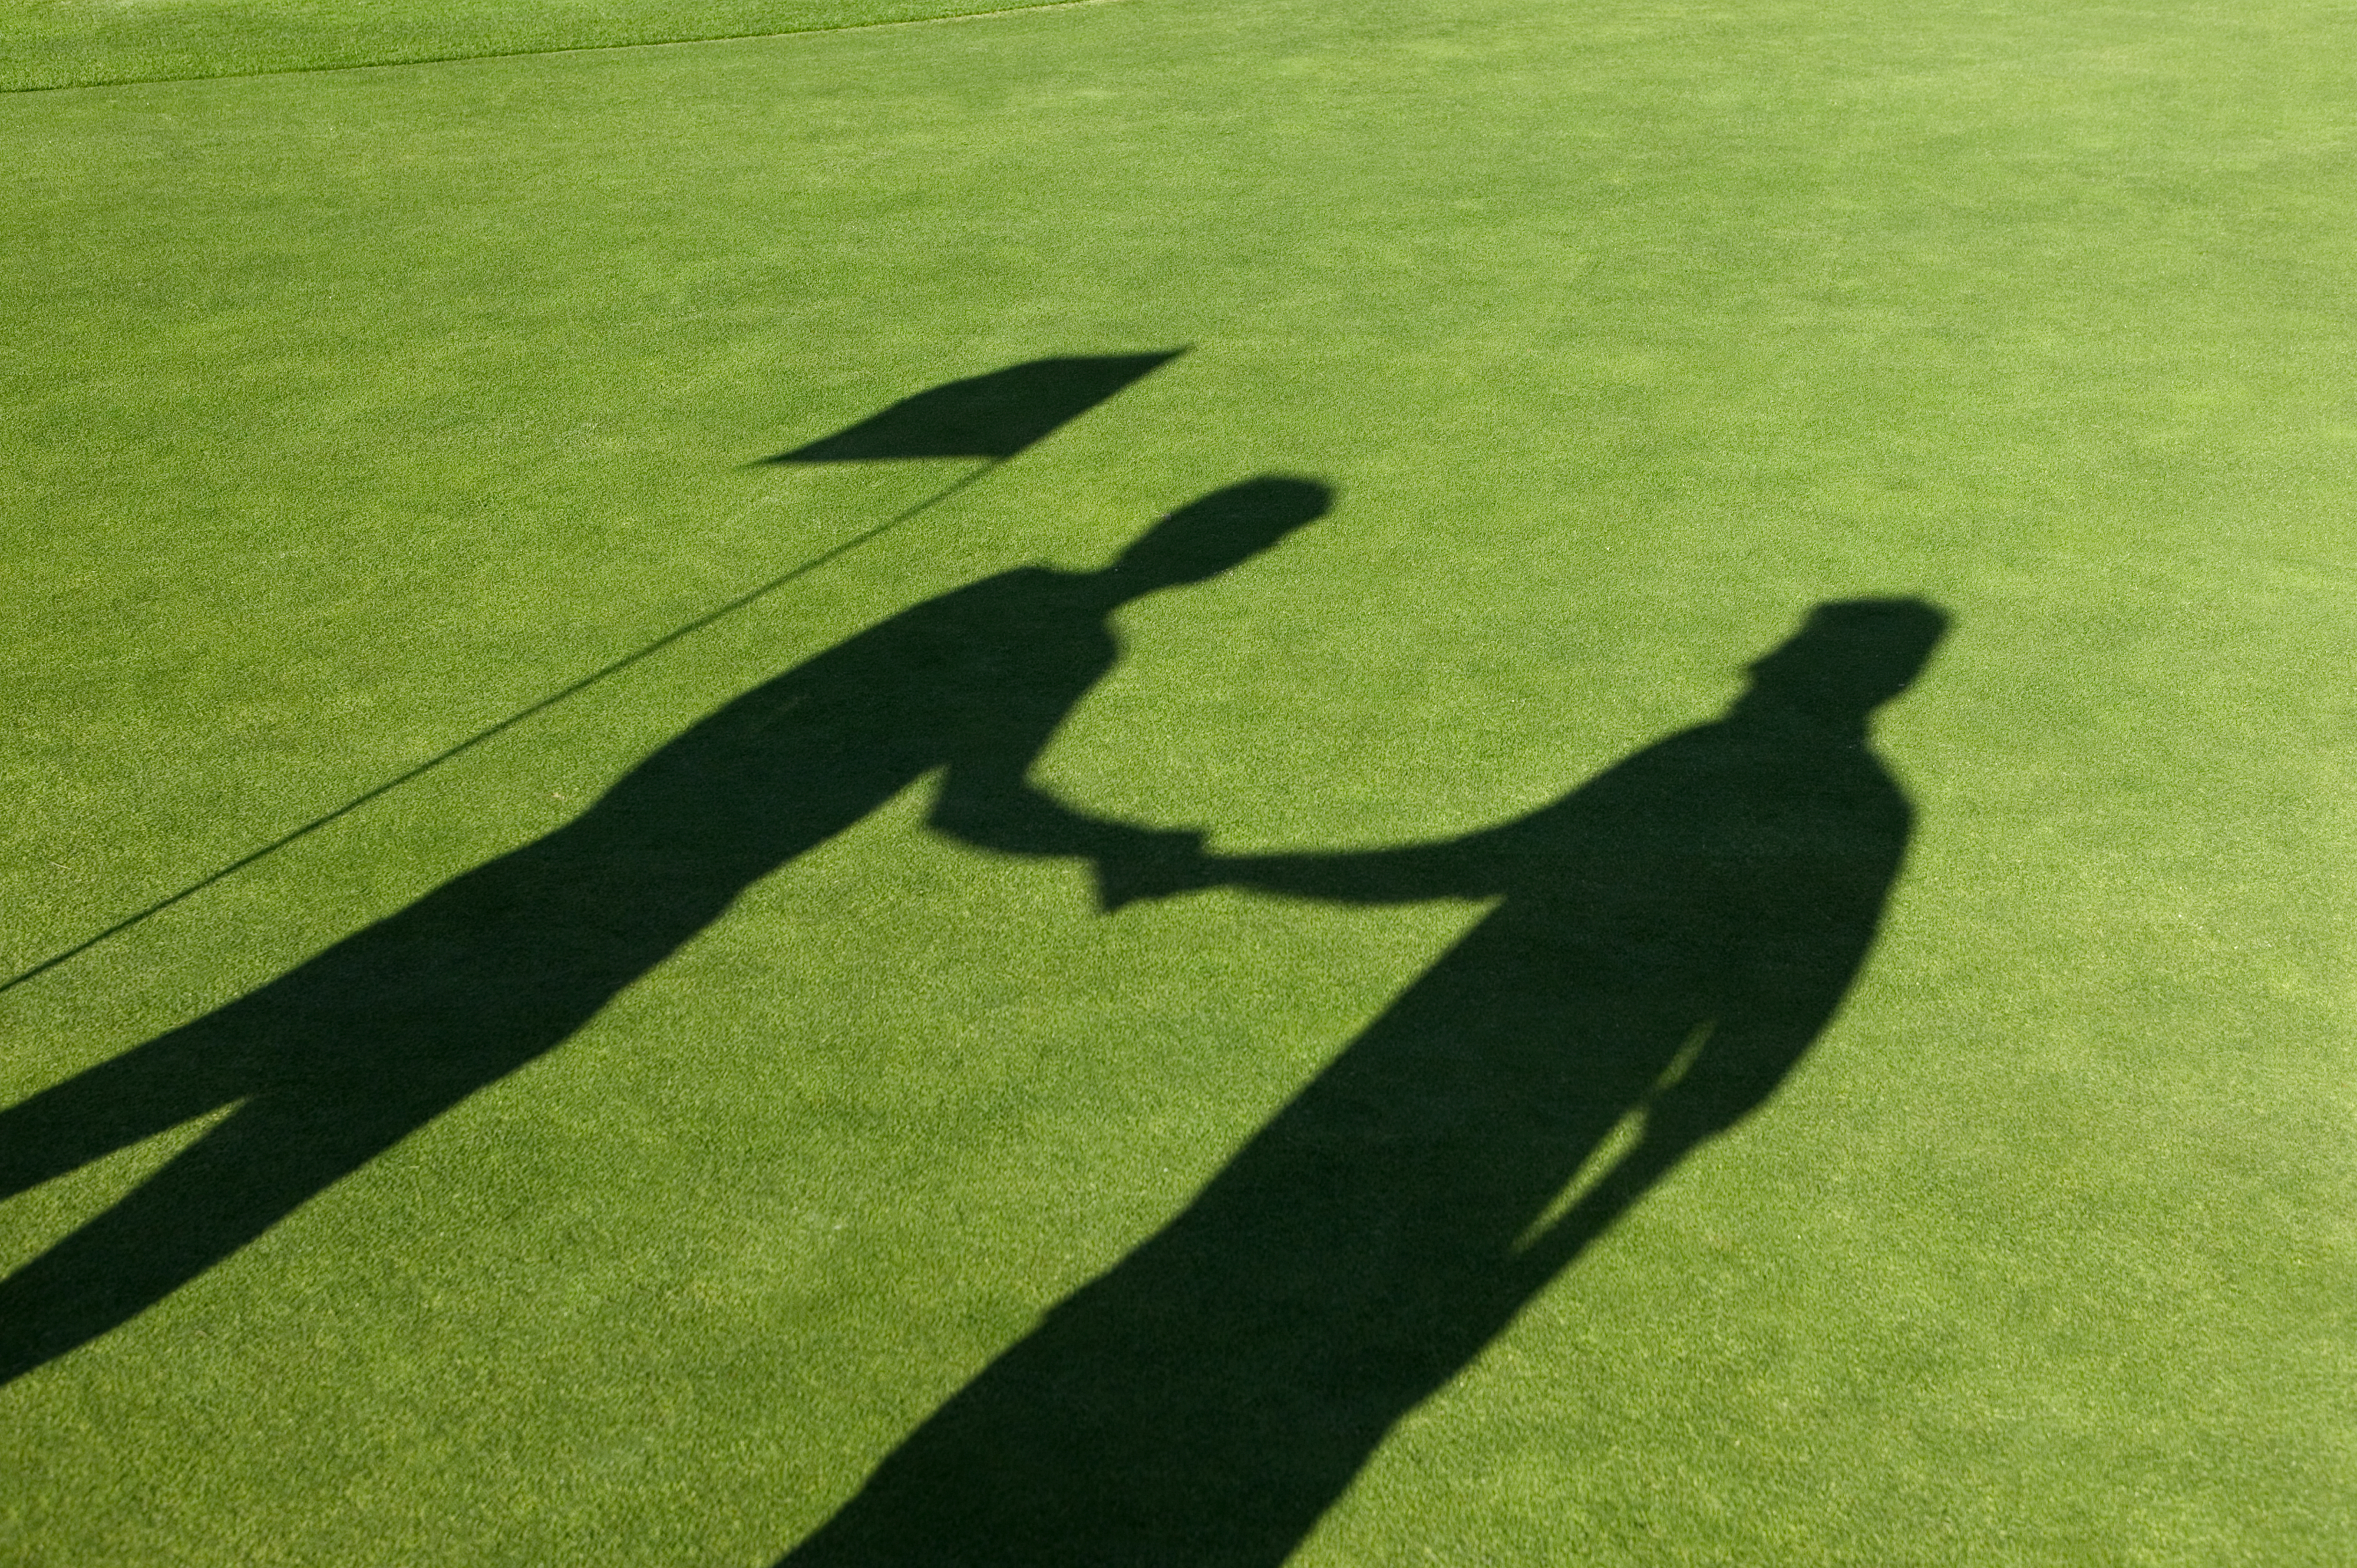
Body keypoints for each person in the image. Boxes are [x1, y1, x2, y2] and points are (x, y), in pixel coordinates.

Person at [0, 476, 1331, 1385]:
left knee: (181, 1067)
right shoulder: (1062, 641)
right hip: (615, 919)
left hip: (526, 872)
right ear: (1223, 553)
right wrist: (1127, 847)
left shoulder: (1000, 592)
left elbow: (753, 719)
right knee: (256, 1161)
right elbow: (966, 807)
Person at [782, 599, 1949, 1567]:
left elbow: (1479, 873)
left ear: (1828, 665)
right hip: (1481, 1100)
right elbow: (1753, 1039)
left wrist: (1225, 871)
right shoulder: (1829, 792)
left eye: (1798, 643)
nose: (1765, 655)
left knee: (1209, 1319)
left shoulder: (1733, 767)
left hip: (1480, 1103)